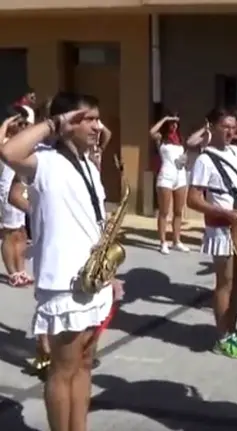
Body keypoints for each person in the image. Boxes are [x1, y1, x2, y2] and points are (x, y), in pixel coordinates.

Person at [0, 91, 124, 431]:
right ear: (68, 122)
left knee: (85, 364)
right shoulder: (43, 160)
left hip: (92, 279)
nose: (98, 126)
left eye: (98, 119)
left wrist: (110, 274)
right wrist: (53, 124)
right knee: (63, 369)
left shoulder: (88, 163)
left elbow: (95, 223)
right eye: (89, 119)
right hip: (64, 285)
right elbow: (8, 151)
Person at [187, 107, 237, 359]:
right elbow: (193, 199)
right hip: (221, 228)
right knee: (225, 283)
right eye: (226, 126)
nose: (231, 131)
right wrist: (225, 213)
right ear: (212, 127)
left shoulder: (236, 152)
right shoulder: (204, 159)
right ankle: (222, 338)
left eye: (234, 127)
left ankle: (232, 332)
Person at [0, 106, 33, 286]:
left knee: (21, 233)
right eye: (18, 122)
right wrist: (6, 124)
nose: (22, 125)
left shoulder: (20, 140)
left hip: (21, 190)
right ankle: (12, 272)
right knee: (9, 233)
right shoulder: (5, 140)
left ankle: (21, 270)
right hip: (5, 193)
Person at [149, 112, 190, 254]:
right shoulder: (161, 138)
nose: (174, 125)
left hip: (180, 175)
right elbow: (151, 132)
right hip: (166, 176)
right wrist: (165, 118)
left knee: (178, 211)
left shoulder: (180, 139)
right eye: (172, 123)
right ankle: (163, 242)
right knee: (164, 212)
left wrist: (185, 159)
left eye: (176, 123)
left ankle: (176, 240)